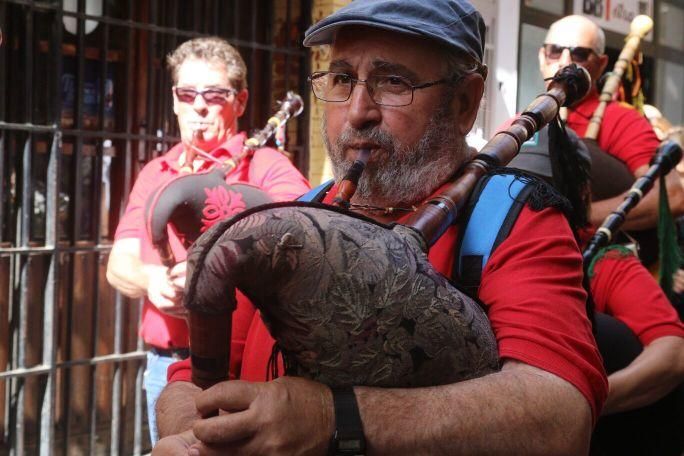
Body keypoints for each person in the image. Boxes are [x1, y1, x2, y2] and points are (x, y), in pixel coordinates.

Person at [153, 2, 607, 454]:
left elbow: (560, 417)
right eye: (342, 79)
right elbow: (188, 380)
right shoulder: (294, 220)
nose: (357, 112)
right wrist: (187, 437)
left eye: (394, 81)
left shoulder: (511, 219)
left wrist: (334, 418)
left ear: (465, 101)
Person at [105, 36, 310, 445]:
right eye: (187, 93)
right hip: (165, 366)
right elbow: (118, 264)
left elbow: (301, 246)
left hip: (240, 369)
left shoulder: (270, 168)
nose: (199, 105)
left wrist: (214, 275)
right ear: (176, 101)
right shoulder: (156, 172)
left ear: (241, 102)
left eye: (215, 94)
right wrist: (154, 281)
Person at [538, 15, 684, 235]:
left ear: (601, 64)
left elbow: (671, 194)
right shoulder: (529, 119)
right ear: (542, 56)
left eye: (579, 53)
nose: (564, 61)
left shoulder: (620, 119)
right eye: (555, 50)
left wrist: (578, 216)